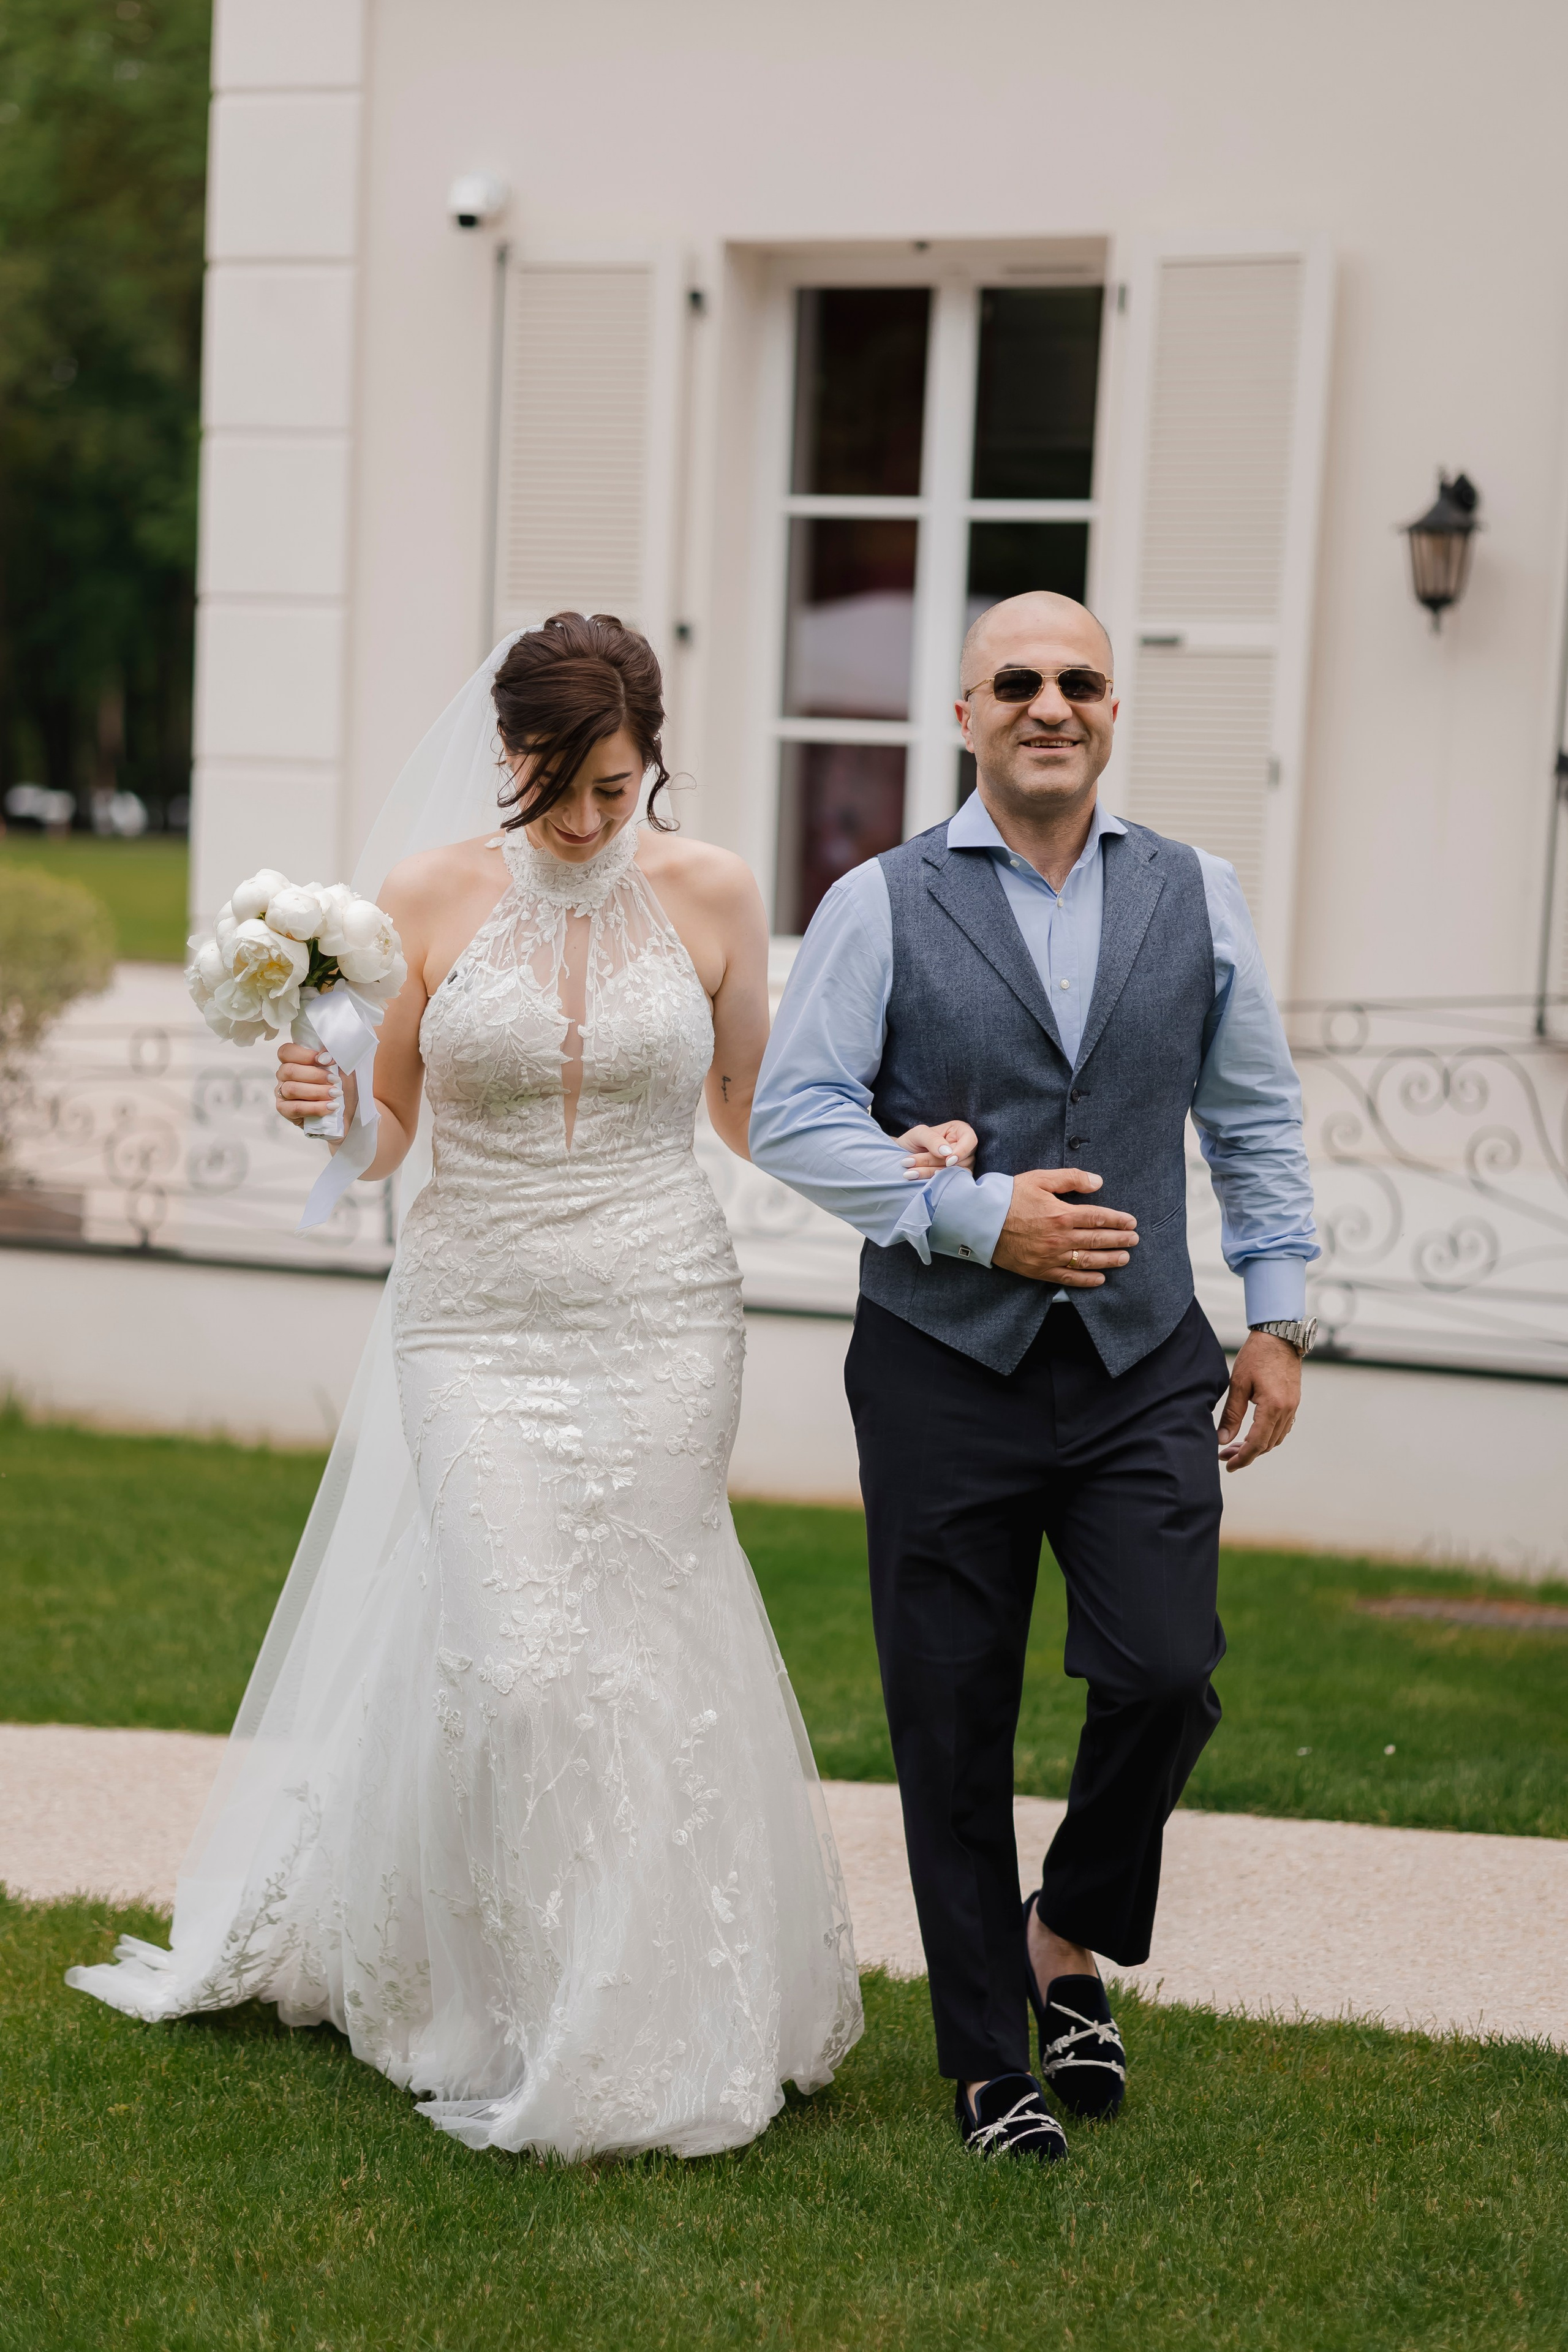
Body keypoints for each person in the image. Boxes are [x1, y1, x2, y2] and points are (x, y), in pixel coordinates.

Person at [68, 612, 973, 2160]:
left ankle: (640, 2016)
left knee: (637, 1654)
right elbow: (387, 1137)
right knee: (519, 1661)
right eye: (555, 785)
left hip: (664, 1314)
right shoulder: (419, 905)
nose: (580, 821)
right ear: (507, 757)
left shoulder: (713, 894)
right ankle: (493, 1999)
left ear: (649, 769)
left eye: (612, 790)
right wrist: (325, 1106)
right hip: (474, 1320)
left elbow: (752, 1113)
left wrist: (900, 1156)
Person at [750, 590, 1318, 2165]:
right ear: (963, 714)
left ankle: (1062, 1927)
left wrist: (1274, 1315)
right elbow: (792, 1117)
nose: (1047, 703)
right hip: (941, 1364)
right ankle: (987, 2059)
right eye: (1015, 680)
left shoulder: (1195, 895)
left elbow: (1254, 1120)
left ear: (1113, 711)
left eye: (1077, 680)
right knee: (949, 1713)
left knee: (1162, 1670)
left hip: (1144, 1359)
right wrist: (965, 1216)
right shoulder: (879, 900)